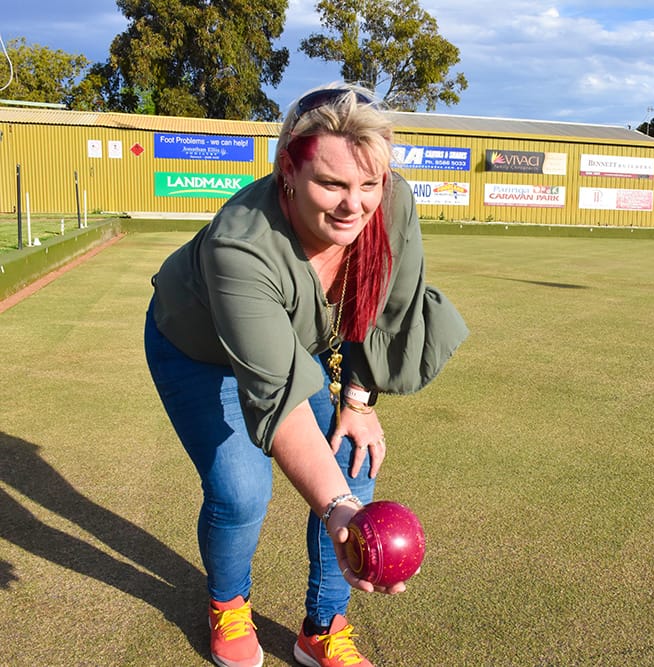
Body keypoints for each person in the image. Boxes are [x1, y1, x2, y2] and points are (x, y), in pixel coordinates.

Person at [144, 83, 468, 667]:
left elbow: (387, 309)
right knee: (241, 491)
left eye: (369, 184)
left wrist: (358, 403)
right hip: (197, 349)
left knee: (352, 464)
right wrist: (337, 508)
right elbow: (281, 401)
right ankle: (228, 603)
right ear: (287, 172)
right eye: (331, 184)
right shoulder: (239, 246)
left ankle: (322, 627)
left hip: (294, 342)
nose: (354, 205)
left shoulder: (392, 202)